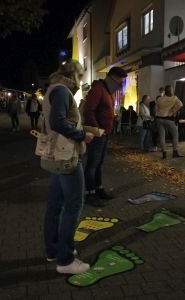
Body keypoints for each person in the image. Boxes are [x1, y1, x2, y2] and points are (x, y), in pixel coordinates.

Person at [43, 59, 94, 274]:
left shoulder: (52, 89)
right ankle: (65, 260)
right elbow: (58, 122)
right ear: (74, 75)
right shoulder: (63, 91)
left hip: (55, 156)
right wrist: (82, 134)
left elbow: (52, 122)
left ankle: (53, 250)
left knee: (55, 205)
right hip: (67, 156)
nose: (80, 83)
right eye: (80, 77)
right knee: (73, 207)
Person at [83, 66, 127, 207]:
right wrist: (97, 130)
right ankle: (89, 194)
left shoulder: (108, 91)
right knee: (92, 165)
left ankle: (98, 189)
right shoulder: (98, 89)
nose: (121, 84)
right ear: (112, 77)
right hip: (98, 134)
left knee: (98, 163)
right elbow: (88, 110)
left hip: (104, 134)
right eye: (120, 80)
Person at [155, 85, 183, 159]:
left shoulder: (160, 99)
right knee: (175, 135)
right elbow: (180, 105)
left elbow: (155, 109)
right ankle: (175, 152)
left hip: (159, 118)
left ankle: (164, 153)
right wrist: (173, 111)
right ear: (171, 90)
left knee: (162, 136)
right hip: (169, 119)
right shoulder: (174, 98)